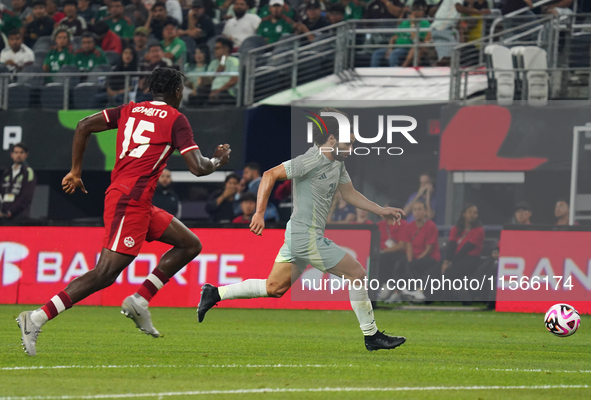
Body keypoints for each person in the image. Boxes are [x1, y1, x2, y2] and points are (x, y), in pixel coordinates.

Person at [17, 67, 232, 356]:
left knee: (189, 244)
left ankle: (140, 300)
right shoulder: (175, 119)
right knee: (105, 273)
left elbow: (82, 125)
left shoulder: (130, 110)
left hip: (135, 200)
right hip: (129, 201)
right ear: (177, 92)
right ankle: (35, 318)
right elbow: (198, 167)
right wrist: (217, 160)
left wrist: (76, 171)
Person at [197, 107, 407, 352]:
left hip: (298, 236)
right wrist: (259, 213)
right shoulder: (311, 160)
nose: (351, 150)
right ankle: (371, 335)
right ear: (331, 139)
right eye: (347, 144)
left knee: (274, 288)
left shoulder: (336, 162)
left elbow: (349, 193)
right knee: (358, 274)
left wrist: (380, 210)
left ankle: (215, 293)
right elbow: (268, 175)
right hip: (305, 237)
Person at [440, 203, 484, 300]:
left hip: (471, 259)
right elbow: (451, 246)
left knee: (449, 273)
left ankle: (449, 299)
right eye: (469, 212)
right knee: (438, 270)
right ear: (464, 214)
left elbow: (466, 249)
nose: (472, 215)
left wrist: (450, 262)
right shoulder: (456, 229)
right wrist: (446, 261)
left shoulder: (479, 230)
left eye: (475, 213)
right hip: (457, 258)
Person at [398, 200, 440, 301]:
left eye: (420, 209)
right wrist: (410, 260)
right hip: (415, 257)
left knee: (413, 266)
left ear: (425, 211)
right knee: (400, 265)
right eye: (415, 210)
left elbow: (429, 249)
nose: (417, 212)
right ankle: (398, 290)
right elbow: (409, 246)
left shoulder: (431, 226)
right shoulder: (410, 226)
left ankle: (417, 291)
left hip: (430, 257)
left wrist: (415, 261)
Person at [370, 1, 431, 68]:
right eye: (413, 10)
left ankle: (394, 73)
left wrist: (412, 23)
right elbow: (394, 37)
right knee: (376, 53)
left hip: (407, 48)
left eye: (417, 10)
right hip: (396, 46)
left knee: (394, 54)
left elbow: (416, 40)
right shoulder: (405, 22)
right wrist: (390, 49)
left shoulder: (425, 23)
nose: (414, 12)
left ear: (422, 12)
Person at [430, 0, 484, 64]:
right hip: (442, 28)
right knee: (447, 57)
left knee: (451, 56)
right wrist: (479, 12)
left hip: (443, 29)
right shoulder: (458, 4)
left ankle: (439, 69)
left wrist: (461, 35)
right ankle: (436, 71)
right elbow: (459, 8)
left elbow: (457, 16)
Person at [375, 201, 408, 302]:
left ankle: (387, 286)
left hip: (398, 254)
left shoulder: (403, 224)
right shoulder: (379, 225)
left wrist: (384, 251)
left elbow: (402, 245)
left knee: (384, 259)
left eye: (386, 209)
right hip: (379, 254)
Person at [0, 143, 36, 220]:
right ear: (12, 155)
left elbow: (26, 196)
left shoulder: (28, 172)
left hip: (20, 216)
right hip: (4, 216)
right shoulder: (6, 172)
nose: (18, 155)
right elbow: (1, 193)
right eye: (16, 152)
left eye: (21, 152)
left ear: (26, 155)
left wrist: (11, 212)